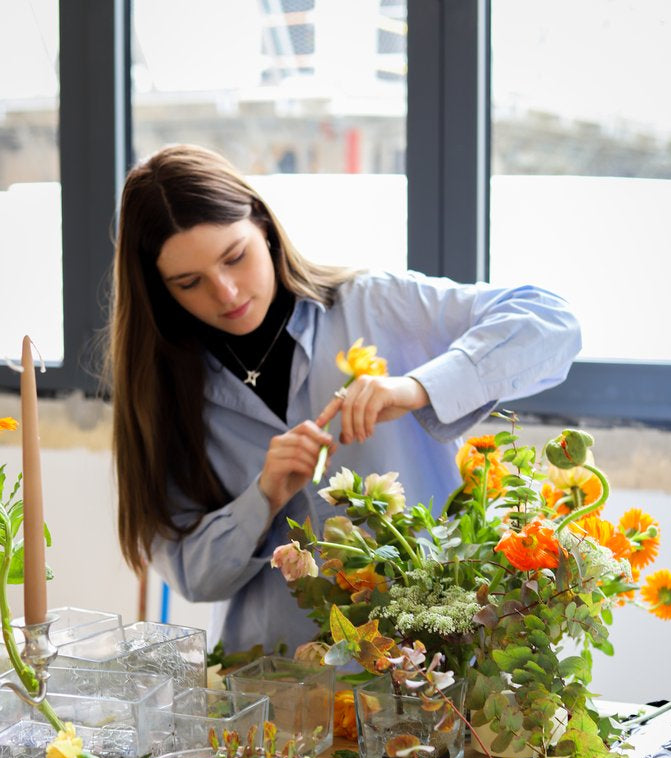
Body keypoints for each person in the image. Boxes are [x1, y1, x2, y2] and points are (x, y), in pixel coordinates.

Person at [107, 143, 581, 655]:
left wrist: (418, 387)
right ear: (160, 290)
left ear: (264, 226)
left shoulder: (373, 305)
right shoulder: (162, 393)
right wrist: (262, 498)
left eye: (235, 257)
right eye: (189, 282)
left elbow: (551, 322)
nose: (225, 292)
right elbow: (192, 577)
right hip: (280, 681)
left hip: (435, 664)